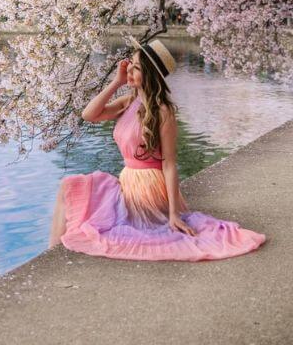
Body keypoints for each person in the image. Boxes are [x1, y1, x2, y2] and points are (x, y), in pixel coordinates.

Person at [47, 37, 266, 260]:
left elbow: (169, 164)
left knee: (110, 222)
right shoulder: (127, 102)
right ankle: (52, 252)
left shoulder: (163, 111)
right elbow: (88, 115)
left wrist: (173, 213)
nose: (130, 70)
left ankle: (53, 255)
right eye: (130, 64)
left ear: (150, 75)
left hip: (149, 188)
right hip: (126, 182)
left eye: (137, 68)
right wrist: (116, 82)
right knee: (69, 188)